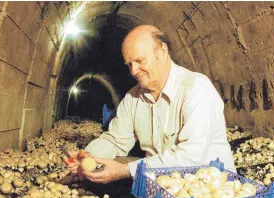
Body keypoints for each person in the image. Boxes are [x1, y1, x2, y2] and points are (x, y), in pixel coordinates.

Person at [64, 24, 236, 184]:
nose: (133, 71)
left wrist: (125, 170)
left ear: (162, 51)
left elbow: (190, 157)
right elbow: (115, 140)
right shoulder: (133, 98)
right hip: (165, 185)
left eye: (140, 61)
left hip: (211, 189)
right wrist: (89, 156)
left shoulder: (196, 88)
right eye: (129, 64)